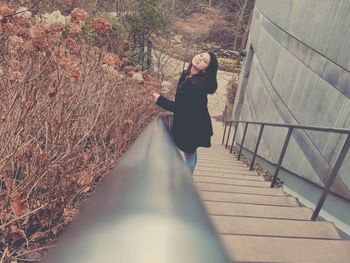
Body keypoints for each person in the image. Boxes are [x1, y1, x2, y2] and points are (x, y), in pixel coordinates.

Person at [153, 52, 218, 174]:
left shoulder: (198, 87)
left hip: (194, 125)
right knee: (189, 152)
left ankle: (186, 181)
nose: (200, 59)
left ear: (206, 70)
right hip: (188, 121)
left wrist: (160, 100)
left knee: (189, 154)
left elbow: (182, 108)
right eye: (201, 55)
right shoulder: (187, 75)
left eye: (205, 61)